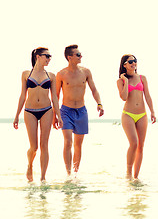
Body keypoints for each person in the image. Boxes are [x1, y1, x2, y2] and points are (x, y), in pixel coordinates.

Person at [53, 44, 104, 177]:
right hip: (66, 111)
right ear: (69, 57)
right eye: (78, 54)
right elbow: (56, 96)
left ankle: (75, 173)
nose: (81, 56)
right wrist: (55, 115)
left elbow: (94, 89)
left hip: (81, 111)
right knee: (68, 141)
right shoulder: (61, 74)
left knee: (78, 144)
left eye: (80, 54)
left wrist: (99, 104)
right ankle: (68, 173)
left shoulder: (86, 72)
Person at [13, 47, 63, 182]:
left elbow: (55, 98)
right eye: (47, 56)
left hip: (47, 110)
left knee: (44, 145)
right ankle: (30, 165)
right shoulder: (26, 74)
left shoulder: (51, 76)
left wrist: (58, 115)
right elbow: (22, 95)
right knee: (34, 147)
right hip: (30, 111)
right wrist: (17, 115)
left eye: (50, 56)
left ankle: (42, 178)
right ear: (38, 56)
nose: (49, 59)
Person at [117, 54, 156, 180]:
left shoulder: (142, 78)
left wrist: (152, 111)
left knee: (141, 145)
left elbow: (148, 96)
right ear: (124, 65)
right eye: (130, 62)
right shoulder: (120, 81)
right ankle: (128, 173)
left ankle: (136, 177)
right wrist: (126, 81)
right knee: (133, 142)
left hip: (142, 115)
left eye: (135, 61)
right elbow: (123, 97)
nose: (134, 63)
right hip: (128, 114)